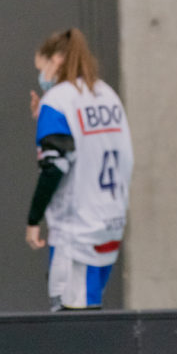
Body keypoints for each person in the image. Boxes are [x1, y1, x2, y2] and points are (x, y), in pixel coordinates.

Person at [25, 28, 132, 311]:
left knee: (73, 321)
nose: (42, 76)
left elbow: (54, 167)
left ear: (56, 60)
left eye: (42, 68)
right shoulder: (106, 94)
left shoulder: (57, 101)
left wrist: (34, 219)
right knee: (91, 308)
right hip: (109, 224)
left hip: (76, 233)